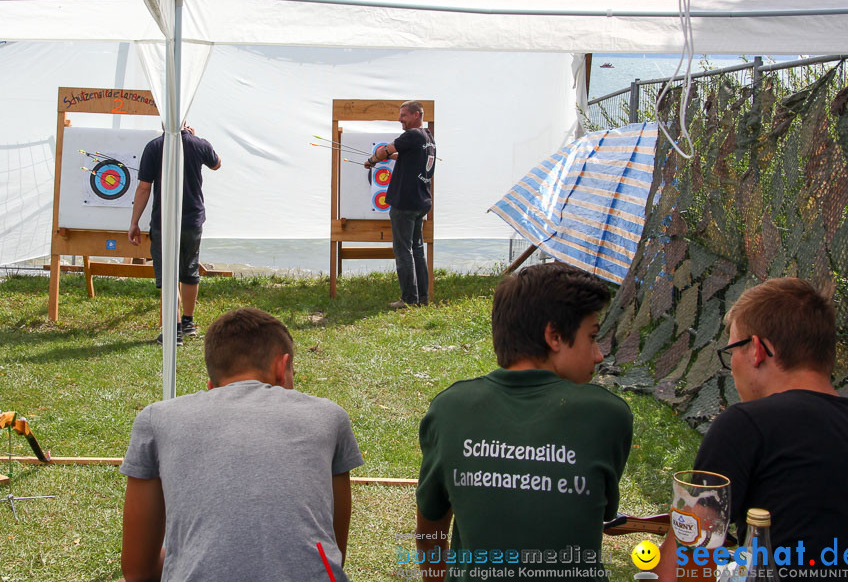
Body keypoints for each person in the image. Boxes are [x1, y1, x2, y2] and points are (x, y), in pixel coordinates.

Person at [414, 262, 632, 580]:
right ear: (554, 336)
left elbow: (430, 522)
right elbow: (599, 513)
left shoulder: (450, 409)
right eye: (592, 337)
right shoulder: (607, 415)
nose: (598, 356)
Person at [119, 307, 363, 582]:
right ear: (281, 369)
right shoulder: (330, 416)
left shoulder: (156, 419)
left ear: (212, 386)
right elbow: (332, 555)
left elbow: (137, 571)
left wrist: (188, 555)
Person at [654, 277, 848, 579]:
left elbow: (685, 564)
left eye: (732, 351)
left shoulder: (745, 425)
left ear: (756, 350)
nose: (732, 366)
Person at [129, 123, 220, 344]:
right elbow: (216, 164)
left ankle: (175, 330)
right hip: (192, 220)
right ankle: (187, 323)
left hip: (164, 221)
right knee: (189, 271)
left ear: (163, 122)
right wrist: (193, 138)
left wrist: (134, 222)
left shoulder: (154, 147)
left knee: (169, 274)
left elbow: (144, 188)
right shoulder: (199, 144)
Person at [364, 100, 436, 309]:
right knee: (417, 249)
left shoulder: (412, 135)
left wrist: (373, 159)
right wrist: (392, 156)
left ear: (416, 115)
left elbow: (387, 149)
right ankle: (422, 297)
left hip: (405, 202)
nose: (399, 119)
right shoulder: (428, 138)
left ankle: (409, 299)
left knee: (403, 250)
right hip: (420, 201)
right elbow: (409, 155)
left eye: (403, 115)